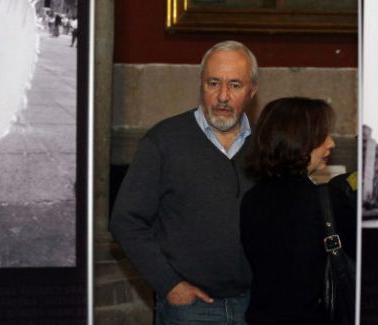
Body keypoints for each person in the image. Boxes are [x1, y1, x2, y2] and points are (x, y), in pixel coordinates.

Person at [110, 40, 260, 325]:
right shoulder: (164, 141)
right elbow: (125, 220)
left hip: (255, 305)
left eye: (235, 85)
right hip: (189, 310)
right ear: (200, 85)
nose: (223, 96)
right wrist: (169, 285)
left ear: (252, 91)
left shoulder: (267, 145)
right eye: (213, 83)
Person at [240, 97, 356, 325]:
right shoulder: (327, 200)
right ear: (298, 140)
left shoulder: (251, 200)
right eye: (322, 136)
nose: (331, 143)